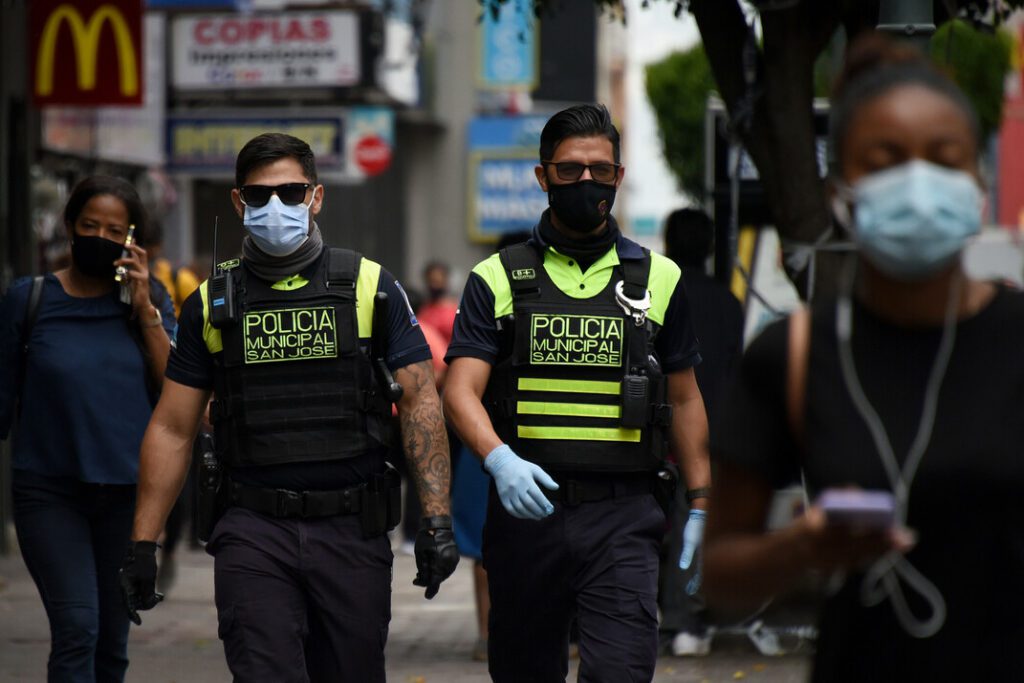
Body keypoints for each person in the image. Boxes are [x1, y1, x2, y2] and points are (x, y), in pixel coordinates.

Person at [703, 35, 1024, 681]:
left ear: (978, 181)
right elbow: (719, 577)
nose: (916, 181)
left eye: (944, 158)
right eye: (885, 159)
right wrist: (801, 548)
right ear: (840, 187)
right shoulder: (791, 356)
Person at [117, 133, 459, 682]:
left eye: (291, 192)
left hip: (352, 528)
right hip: (253, 530)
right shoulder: (211, 302)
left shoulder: (372, 288)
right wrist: (143, 542)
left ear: (316, 197)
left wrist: (437, 521)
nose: (275, 207)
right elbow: (174, 427)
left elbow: (421, 402)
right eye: (258, 196)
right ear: (238, 202)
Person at [443, 104, 711, 682]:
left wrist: (704, 501)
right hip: (526, 511)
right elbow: (459, 390)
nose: (585, 182)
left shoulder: (659, 279)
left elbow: (686, 399)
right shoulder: (495, 277)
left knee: (620, 671)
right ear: (542, 177)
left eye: (600, 170)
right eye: (569, 171)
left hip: (624, 514)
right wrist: (500, 461)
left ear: (618, 175)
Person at [0, 175, 175, 682]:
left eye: (114, 229)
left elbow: (176, 393)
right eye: (89, 224)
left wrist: (144, 308)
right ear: (70, 227)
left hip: (126, 498)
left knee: (112, 643)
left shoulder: (149, 301)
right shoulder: (28, 300)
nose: (100, 235)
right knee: (78, 626)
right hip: (50, 493)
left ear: (132, 238)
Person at [659, 208, 744, 657]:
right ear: (710, 247)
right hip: (708, 439)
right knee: (696, 527)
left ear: (668, 243)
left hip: (653, 434)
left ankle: (651, 615)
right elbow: (734, 373)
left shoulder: (652, 292)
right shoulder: (728, 303)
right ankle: (686, 620)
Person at [145, 219, 202, 587]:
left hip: (181, 375)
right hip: (149, 383)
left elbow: (200, 319)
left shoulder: (178, 278)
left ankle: (170, 547)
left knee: (181, 468)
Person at [416, 260, 459, 345]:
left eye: (438, 282)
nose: (434, 286)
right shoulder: (422, 310)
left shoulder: (455, 310)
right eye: (431, 281)